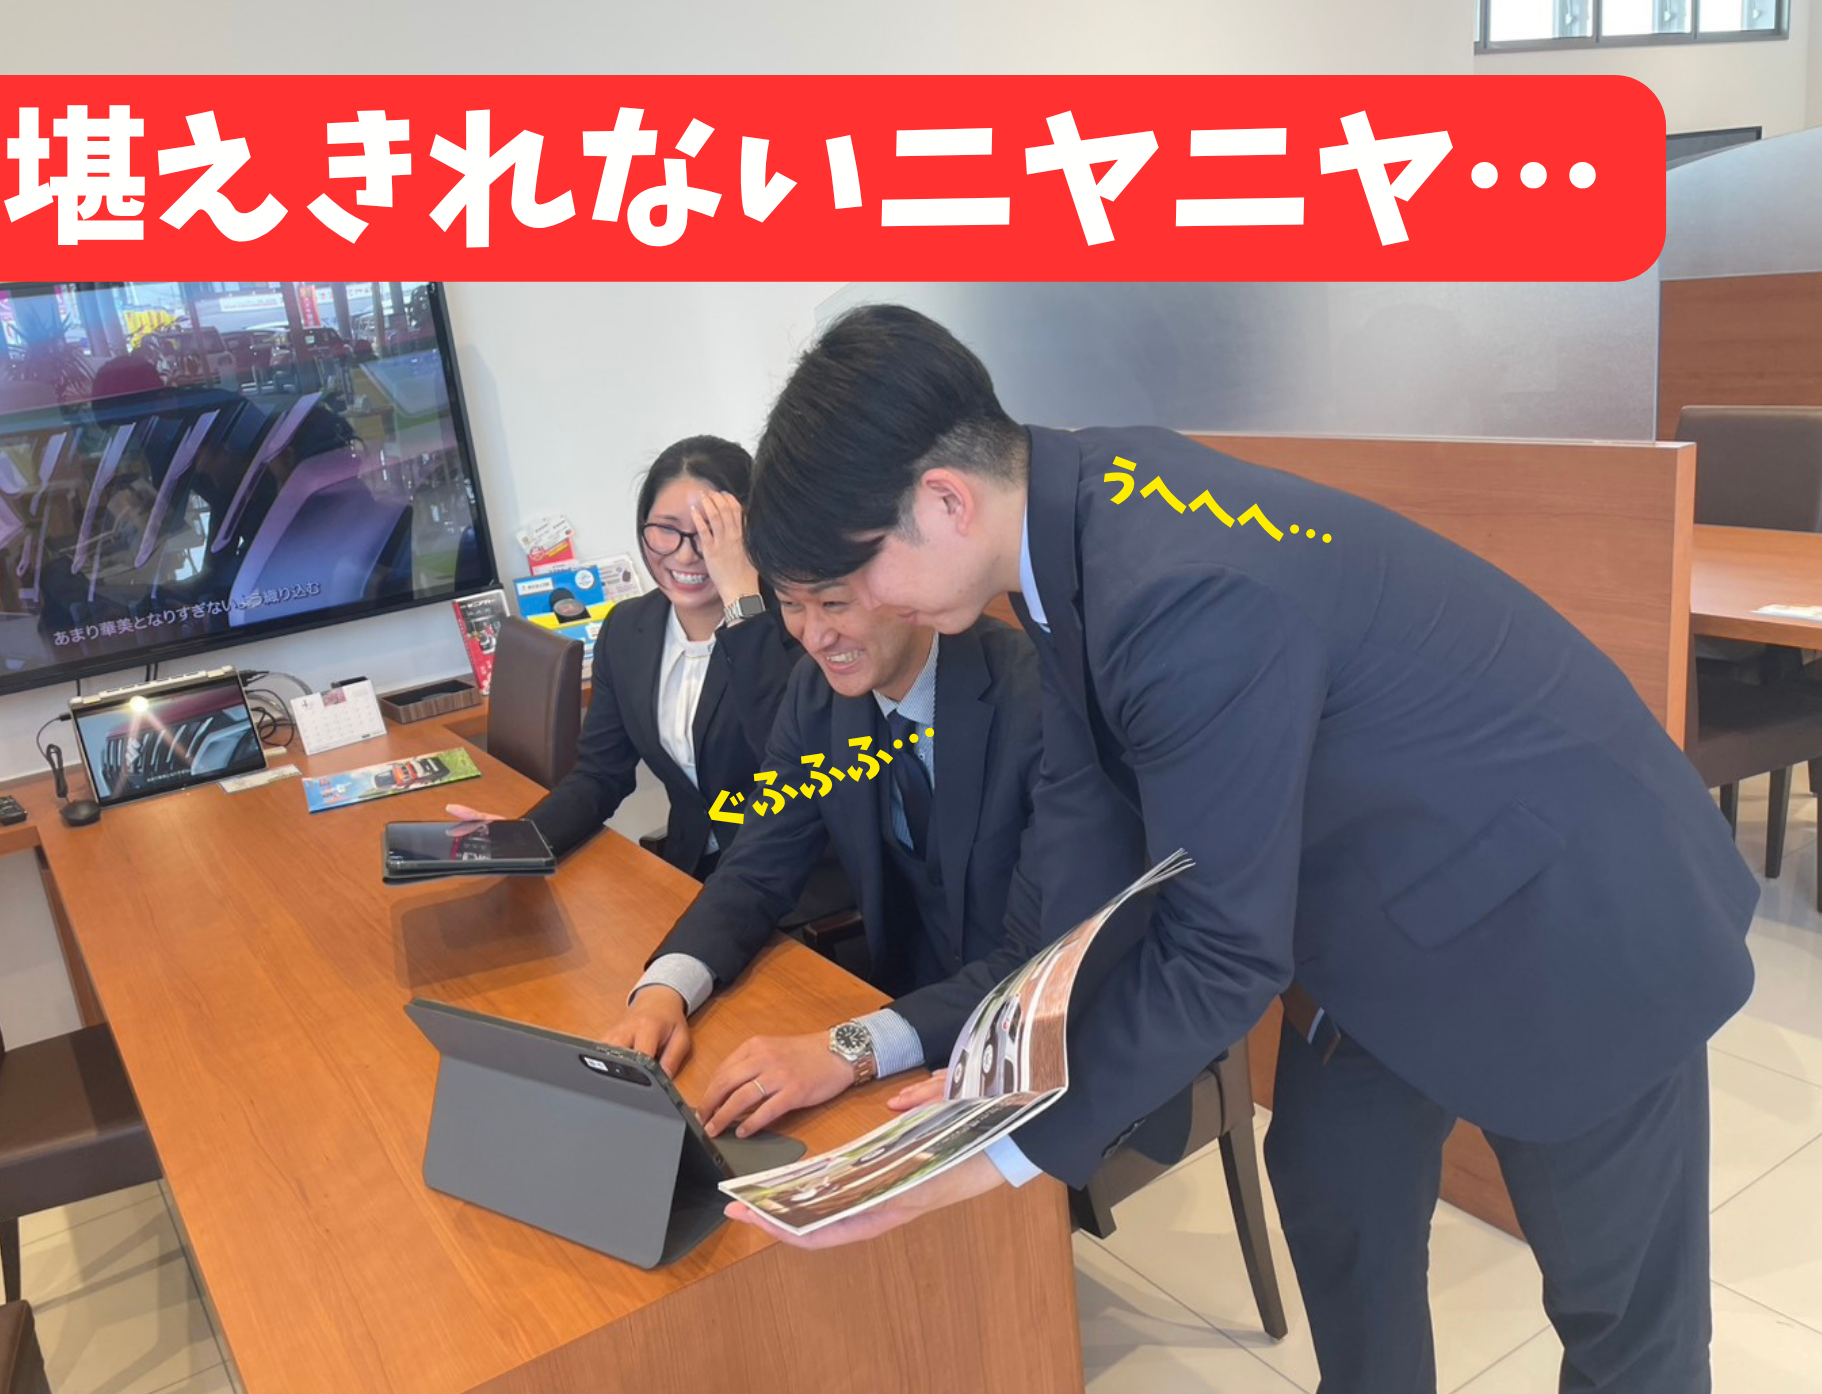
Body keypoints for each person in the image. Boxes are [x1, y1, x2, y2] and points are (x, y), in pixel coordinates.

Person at [731, 304, 1758, 1394]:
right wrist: (1003, 1064)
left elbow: (1220, 951)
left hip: (1569, 904)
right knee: (1334, 1185)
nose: (848, 615)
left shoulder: (1176, 587)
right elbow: (1086, 817)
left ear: (944, 502)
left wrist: (1004, 1153)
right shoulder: (1067, 517)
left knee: (1622, 1319)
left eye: (849, 581)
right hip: (1393, 899)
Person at [601, 576, 1109, 1145]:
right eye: (791, 605)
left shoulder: (1042, 697)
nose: (814, 636)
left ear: (906, 576)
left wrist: (849, 1049)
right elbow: (757, 865)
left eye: (834, 603)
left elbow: (1045, 956)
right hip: (909, 1009)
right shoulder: (816, 694)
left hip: (1056, 1031)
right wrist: (665, 988)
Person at [449, 435, 800, 880]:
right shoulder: (629, 629)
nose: (686, 553)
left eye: (711, 532)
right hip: (694, 871)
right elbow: (600, 775)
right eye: (666, 529)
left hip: (795, 878)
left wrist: (741, 599)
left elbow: (795, 763)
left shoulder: (798, 623)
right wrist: (522, 838)